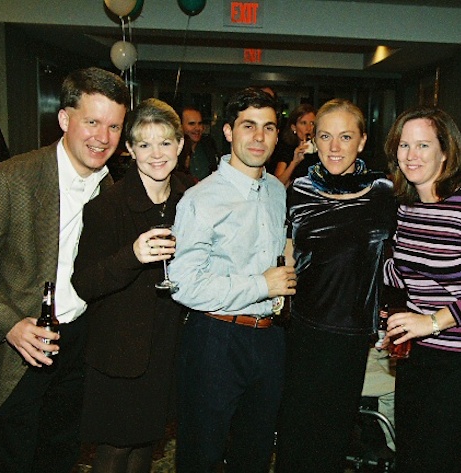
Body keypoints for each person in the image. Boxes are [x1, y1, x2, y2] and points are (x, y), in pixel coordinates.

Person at [0, 67, 129, 473]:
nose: (103, 137)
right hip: (18, 347)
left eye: (114, 126)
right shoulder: (8, 180)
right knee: (12, 461)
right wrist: (10, 325)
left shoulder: (110, 188)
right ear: (64, 119)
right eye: (92, 122)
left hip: (77, 345)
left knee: (60, 457)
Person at [169, 87, 296, 473]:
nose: (259, 137)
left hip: (270, 338)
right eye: (248, 126)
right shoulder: (200, 199)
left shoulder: (276, 191)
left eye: (268, 128)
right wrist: (261, 284)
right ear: (228, 131)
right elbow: (183, 284)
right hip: (216, 339)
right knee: (201, 454)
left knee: (255, 452)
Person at [275, 99, 397, 473]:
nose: (334, 147)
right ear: (313, 140)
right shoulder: (298, 189)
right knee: (294, 432)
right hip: (303, 329)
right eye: (325, 136)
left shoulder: (384, 192)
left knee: (333, 436)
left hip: (352, 333)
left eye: (345, 137)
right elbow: (286, 253)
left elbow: (399, 258)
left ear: (362, 140)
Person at [381, 107, 461, 473]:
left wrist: (432, 321)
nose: (411, 155)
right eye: (404, 145)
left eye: (423, 145)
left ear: (446, 151)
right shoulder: (408, 206)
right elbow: (404, 273)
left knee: (438, 459)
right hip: (418, 353)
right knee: (409, 456)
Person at [71, 98, 189, 472]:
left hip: (167, 345)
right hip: (120, 351)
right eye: (144, 144)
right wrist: (132, 255)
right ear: (130, 150)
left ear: (180, 145)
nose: (157, 154)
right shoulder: (108, 205)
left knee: (145, 445)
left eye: (165, 142)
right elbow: (84, 282)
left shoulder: (190, 198)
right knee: (115, 449)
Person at [269, 103, 317, 184]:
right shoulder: (286, 150)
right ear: (294, 127)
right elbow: (277, 184)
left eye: (312, 123)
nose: (308, 128)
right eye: (303, 123)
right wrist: (294, 163)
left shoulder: (321, 150)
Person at [179, 106, 219, 181]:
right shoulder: (174, 151)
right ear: (180, 126)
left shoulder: (208, 145)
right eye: (192, 124)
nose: (197, 128)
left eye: (200, 124)